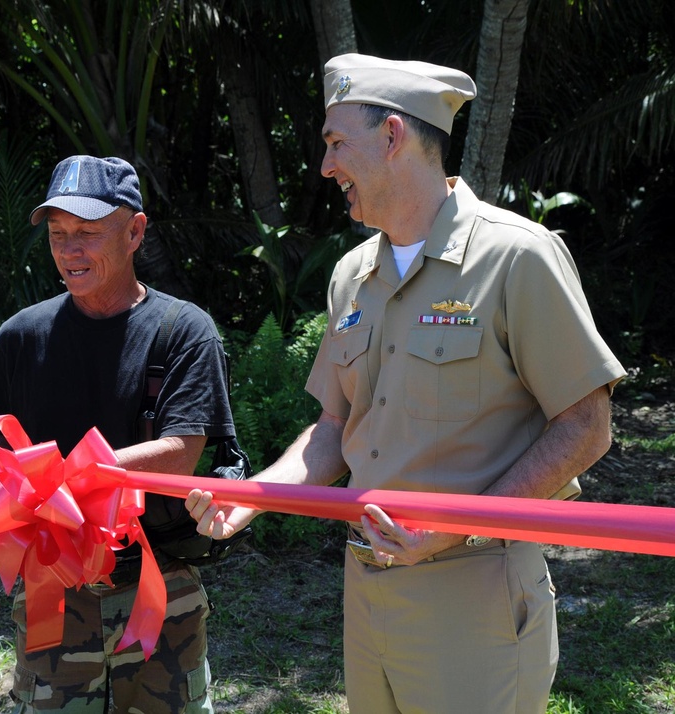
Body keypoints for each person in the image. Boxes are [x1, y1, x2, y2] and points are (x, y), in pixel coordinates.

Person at [186, 53, 627, 713]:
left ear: (393, 136)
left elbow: (587, 426)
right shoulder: (352, 276)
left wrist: (454, 529)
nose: (326, 166)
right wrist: (254, 495)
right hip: (367, 593)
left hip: (473, 592)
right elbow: (335, 432)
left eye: (337, 143)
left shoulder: (516, 257)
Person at [0, 154, 235, 713]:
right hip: (52, 589)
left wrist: (59, 480)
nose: (70, 251)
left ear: (135, 231)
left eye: (88, 234)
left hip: (157, 586)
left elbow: (179, 454)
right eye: (58, 233)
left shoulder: (184, 331)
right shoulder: (22, 336)